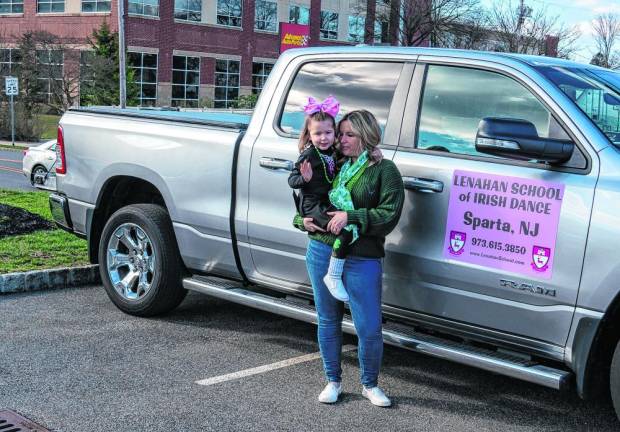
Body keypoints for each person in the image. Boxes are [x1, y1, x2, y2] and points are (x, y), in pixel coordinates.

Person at [294, 109, 405, 407]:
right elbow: (308, 197)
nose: (340, 140)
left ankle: (370, 384)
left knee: (368, 327)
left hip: (362, 257)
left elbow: (389, 215)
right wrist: (299, 220)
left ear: (366, 137)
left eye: (348, 135)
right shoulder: (332, 164)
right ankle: (333, 381)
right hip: (320, 249)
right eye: (339, 133)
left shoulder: (384, 170)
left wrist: (351, 216)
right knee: (327, 320)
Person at [288, 95, 357, 302]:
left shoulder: (332, 152)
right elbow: (292, 180)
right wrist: (304, 178)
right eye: (318, 133)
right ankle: (333, 275)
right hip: (312, 205)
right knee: (344, 230)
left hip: (326, 202)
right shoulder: (308, 155)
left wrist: (374, 152)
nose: (324, 138)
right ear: (309, 135)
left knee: (348, 228)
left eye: (328, 132)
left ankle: (335, 272)